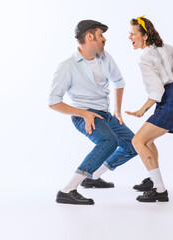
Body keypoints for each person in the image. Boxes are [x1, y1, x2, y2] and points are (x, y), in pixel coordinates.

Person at [49, 20, 137, 205]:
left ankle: (93, 177)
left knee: (134, 144)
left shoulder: (105, 57)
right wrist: (84, 114)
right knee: (108, 141)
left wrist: (117, 112)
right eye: (100, 35)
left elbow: (118, 82)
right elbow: (54, 102)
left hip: (105, 114)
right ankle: (68, 189)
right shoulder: (68, 66)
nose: (104, 39)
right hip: (84, 115)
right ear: (90, 37)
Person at [125, 16, 173, 202]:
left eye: (132, 34)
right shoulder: (168, 48)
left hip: (169, 101)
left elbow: (157, 91)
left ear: (145, 36)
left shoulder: (144, 58)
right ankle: (153, 181)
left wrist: (142, 110)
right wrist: (168, 76)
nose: (130, 37)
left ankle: (160, 190)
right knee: (148, 140)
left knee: (138, 141)